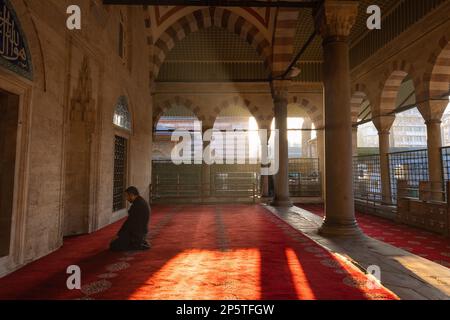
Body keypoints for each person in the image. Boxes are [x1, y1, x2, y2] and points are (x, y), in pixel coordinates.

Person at [110, 186, 151, 252]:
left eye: (127, 196)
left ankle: (138, 244)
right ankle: (140, 242)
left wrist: (119, 235)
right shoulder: (140, 201)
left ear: (131, 195)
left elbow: (129, 223)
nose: (126, 198)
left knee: (113, 245)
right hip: (140, 231)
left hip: (137, 233)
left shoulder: (138, 205)